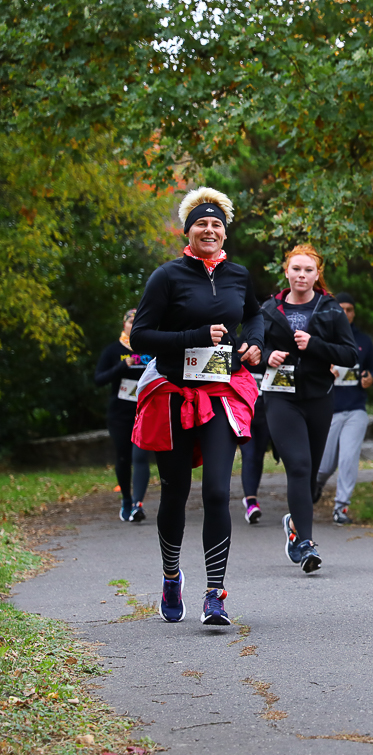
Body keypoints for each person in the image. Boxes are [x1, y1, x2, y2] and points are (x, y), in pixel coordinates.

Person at [130, 187, 263, 626]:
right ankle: (171, 576)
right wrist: (195, 336)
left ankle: (215, 594)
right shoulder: (167, 276)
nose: (210, 230)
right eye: (202, 224)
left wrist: (253, 342)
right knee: (175, 492)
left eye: (217, 225)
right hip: (173, 393)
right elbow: (142, 337)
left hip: (220, 394)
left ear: (224, 234)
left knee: (216, 493)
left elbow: (256, 314)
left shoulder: (238, 275)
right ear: (188, 231)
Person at [260, 245, 357, 573]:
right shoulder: (269, 309)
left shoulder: (330, 310)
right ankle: (305, 544)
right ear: (286, 271)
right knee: (299, 467)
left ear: (318, 275)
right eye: (296, 269)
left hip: (318, 398)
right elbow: (250, 347)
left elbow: (349, 355)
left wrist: (314, 345)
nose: (302, 275)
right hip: (280, 397)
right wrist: (265, 356)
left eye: (308, 270)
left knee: (310, 469)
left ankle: (294, 525)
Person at [316, 292, 373, 526]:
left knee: (348, 458)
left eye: (349, 309)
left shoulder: (364, 341)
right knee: (325, 464)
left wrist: (370, 379)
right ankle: (317, 484)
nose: (345, 313)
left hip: (355, 409)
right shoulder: (323, 337)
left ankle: (341, 507)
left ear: (354, 313)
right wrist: (325, 374)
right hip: (330, 409)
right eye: (340, 308)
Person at [94, 309, 153, 522]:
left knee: (141, 456)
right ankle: (127, 499)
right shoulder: (113, 350)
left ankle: (138, 504)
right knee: (123, 457)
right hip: (120, 413)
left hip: (146, 412)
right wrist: (123, 365)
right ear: (124, 324)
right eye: (131, 320)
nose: (134, 323)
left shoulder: (151, 349)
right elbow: (99, 379)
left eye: (139, 321)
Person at [238, 358, 270, 524]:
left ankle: (252, 498)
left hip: (266, 412)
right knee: (249, 454)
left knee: (258, 456)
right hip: (245, 412)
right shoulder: (241, 345)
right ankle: (251, 502)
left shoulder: (273, 345)